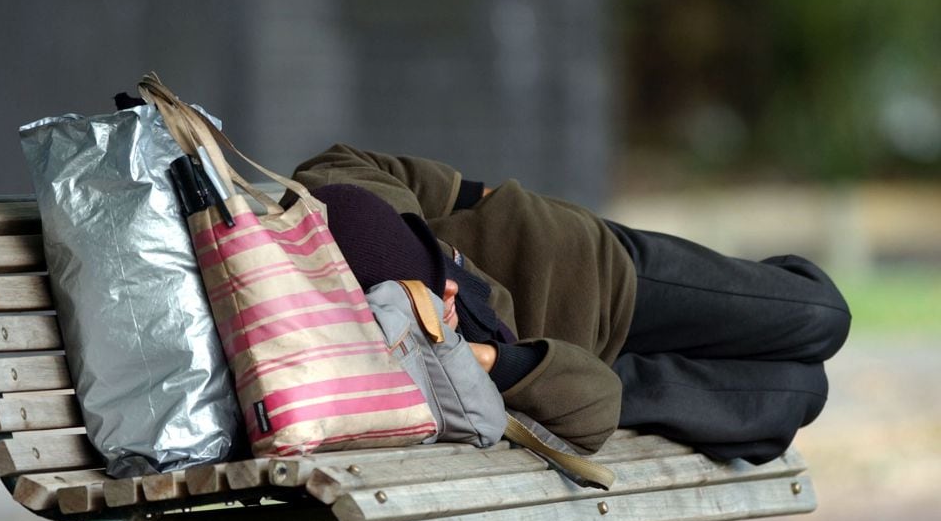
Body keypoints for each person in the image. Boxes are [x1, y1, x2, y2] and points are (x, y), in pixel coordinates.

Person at [293, 144, 851, 464]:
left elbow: (341, 164)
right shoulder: (422, 361)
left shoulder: (335, 222)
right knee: (797, 393)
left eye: (444, 283)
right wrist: (491, 363)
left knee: (822, 314)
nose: (452, 295)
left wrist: (477, 205)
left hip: (601, 270)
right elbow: (597, 401)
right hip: (584, 370)